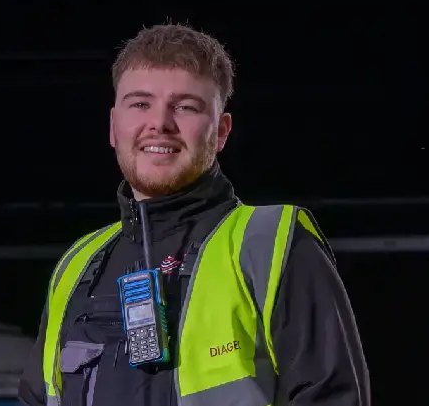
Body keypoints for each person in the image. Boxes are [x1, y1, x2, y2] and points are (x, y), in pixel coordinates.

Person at [19, 23, 370, 406]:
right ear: (113, 127)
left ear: (220, 132)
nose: (160, 123)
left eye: (185, 106)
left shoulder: (271, 242)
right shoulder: (78, 263)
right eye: (140, 104)